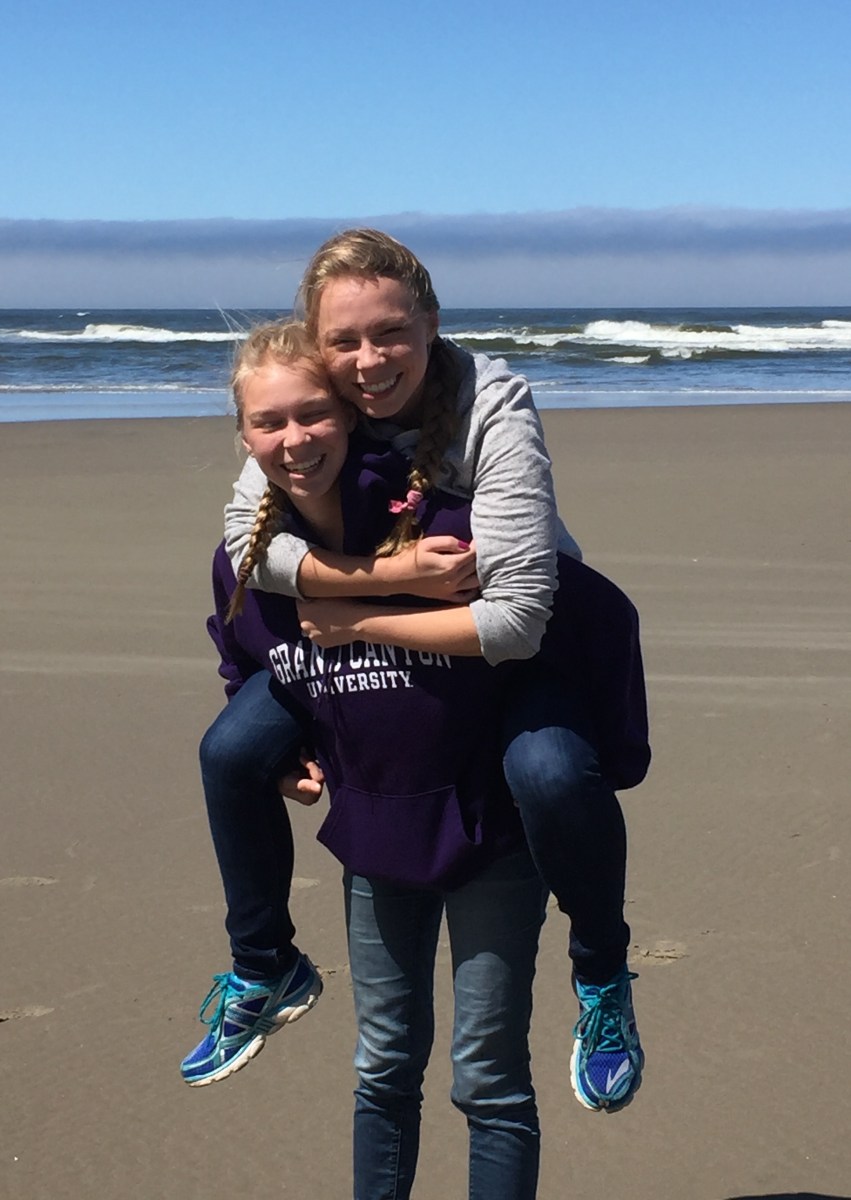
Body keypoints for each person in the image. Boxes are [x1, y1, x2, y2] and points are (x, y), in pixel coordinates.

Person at [191, 229, 649, 1113]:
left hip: (518, 641)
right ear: (316, 345)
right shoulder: (317, 399)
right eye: (345, 340)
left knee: (549, 772)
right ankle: (265, 963)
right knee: (231, 752)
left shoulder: (490, 404)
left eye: (391, 333)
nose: (369, 361)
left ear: (431, 324)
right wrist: (387, 578)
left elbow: (515, 621)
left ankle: (600, 975)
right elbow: (248, 541)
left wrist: (355, 617)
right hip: (364, 639)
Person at [187, 319, 550, 1198]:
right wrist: (281, 747)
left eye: (313, 414)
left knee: (489, 1080)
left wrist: (394, 587)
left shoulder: (439, 525)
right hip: (374, 832)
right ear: (242, 437)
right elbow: (251, 661)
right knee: (382, 1068)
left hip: (488, 832)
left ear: (351, 416)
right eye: (267, 422)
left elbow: (527, 634)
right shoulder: (249, 560)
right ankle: (263, 966)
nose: (294, 439)